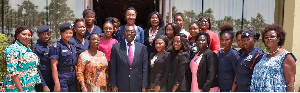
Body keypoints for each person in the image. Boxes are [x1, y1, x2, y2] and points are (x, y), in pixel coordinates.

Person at [250, 25, 297, 92]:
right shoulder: (264, 56)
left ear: (279, 38)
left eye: (272, 36)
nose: (269, 39)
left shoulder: (286, 56)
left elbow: (290, 83)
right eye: (266, 37)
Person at [109, 25, 149, 92]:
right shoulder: (116, 47)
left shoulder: (142, 48)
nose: (129, 33)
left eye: (132, 32)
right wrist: (113, 85)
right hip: (121, 85)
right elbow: (113, 67)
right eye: (127, 31)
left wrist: (144, 85)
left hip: (137, 85)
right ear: (124, 33)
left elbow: (145, 68)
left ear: (135, 34)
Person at [2, 26, 41, 92]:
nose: (27, 37)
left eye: (29, 35)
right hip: (16, 88)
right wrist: (21, 90)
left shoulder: (28, 50)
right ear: (17, 36)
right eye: (24, 34)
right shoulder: (12, 49)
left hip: (30, 88)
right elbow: (13, 72)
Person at [49, 23, 78, 92]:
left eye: (71, 33)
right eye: (66, 33)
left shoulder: (72, 45)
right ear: (61, 33)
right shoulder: (57, 46)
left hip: (73, 76)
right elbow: (53, 65)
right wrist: (56, 83)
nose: (69, 35)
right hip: (62, 76)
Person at [217, 23, 239, 92]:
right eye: (222, 40)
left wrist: (232, 90)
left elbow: (237, 74)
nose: (224, 42)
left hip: (229, 89)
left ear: (232, 40)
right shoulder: (220, 53)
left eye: (227, 40)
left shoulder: (234, 54)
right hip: (220, 88)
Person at [33, 26, 54, 92]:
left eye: (48, 34)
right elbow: (36, 68)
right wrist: (44, 85)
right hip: (43, 79)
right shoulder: (36, 48)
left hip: (51, 78)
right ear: (38, 35)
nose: (47, 36)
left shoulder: (50, 47)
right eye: (44, 34)